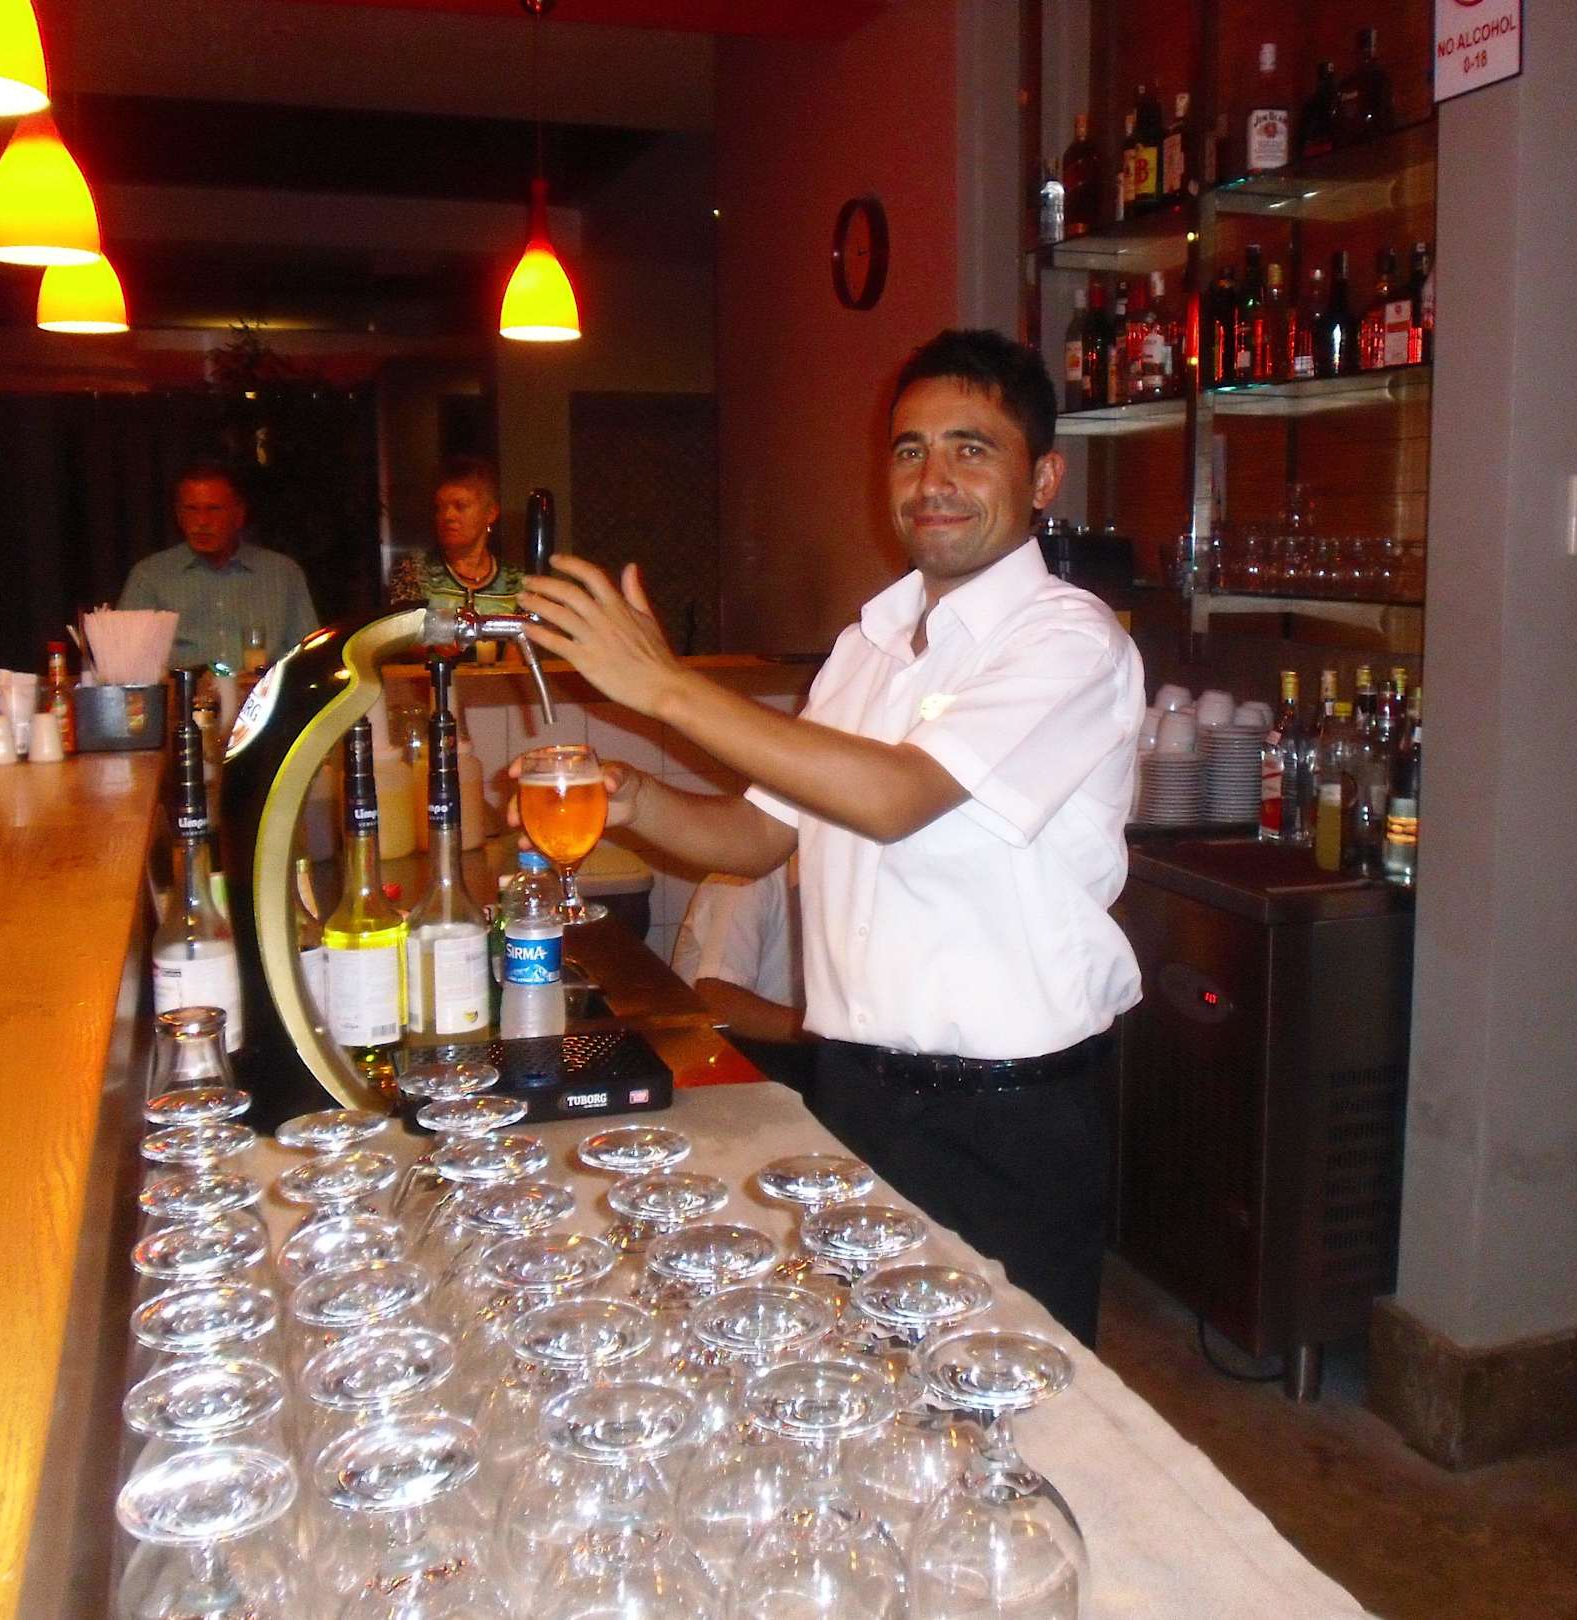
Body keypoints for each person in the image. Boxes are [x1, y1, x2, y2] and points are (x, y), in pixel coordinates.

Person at [517, 328, 1143, 1345]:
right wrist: (633, 800)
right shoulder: (868, 645)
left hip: (1004, 1120)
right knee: (860, 1376)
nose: (933, 480)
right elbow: (755, 836)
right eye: (910, 450)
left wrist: (666, 686)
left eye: (971, 448)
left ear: (1042, 479)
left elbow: (896, 797)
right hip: (855, 1092)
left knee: (1003, 1396)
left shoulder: (1070, 639)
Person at [117, 460, 319, 672]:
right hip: (183, 692)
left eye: (214, 509)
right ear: (179, 515)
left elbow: (310, 659)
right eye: (191, 509)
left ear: (238, 515)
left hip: (264, 691)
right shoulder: (149, 577)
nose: (202, 521)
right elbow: (124, 668)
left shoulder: (282, 574)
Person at [670, 859, 815, 1094]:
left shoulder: (839, 882)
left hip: (787, 1045)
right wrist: (824, 1030)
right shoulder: (745, 882)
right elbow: (718, 1003)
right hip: (717, 1052)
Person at [387, 456, 524, 615]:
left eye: (460, 506)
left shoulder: (516, 583)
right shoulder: (416, 571)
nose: (448, 516)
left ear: (490, 513)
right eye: (440, 507)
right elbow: (404, 627)